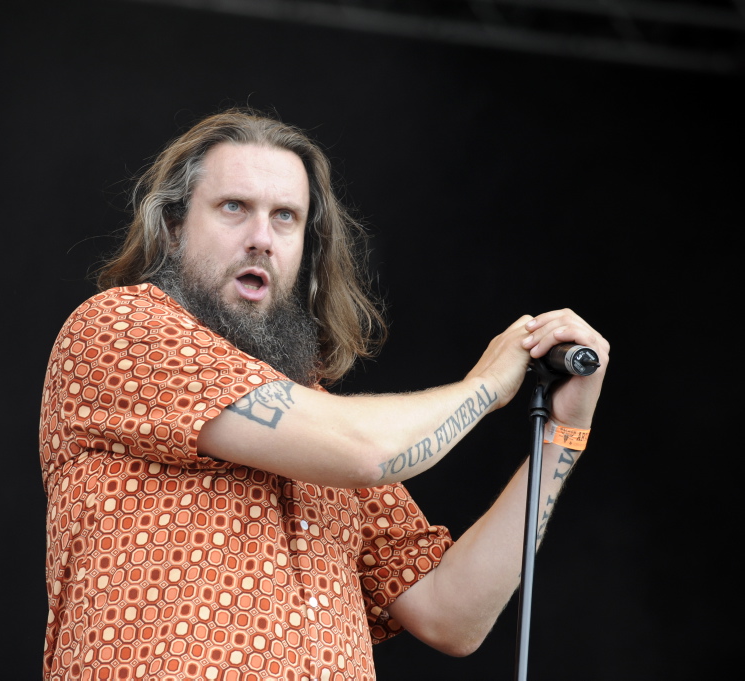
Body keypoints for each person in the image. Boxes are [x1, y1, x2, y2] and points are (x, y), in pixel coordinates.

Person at [38, 107, 609, 681]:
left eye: (285, 217)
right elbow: (370, 453)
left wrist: (564, 436)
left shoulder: (315, 413)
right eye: (234, 207)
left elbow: (450, 615)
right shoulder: (119, 330)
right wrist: (486, 386)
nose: (261, 238)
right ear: (173, 226)